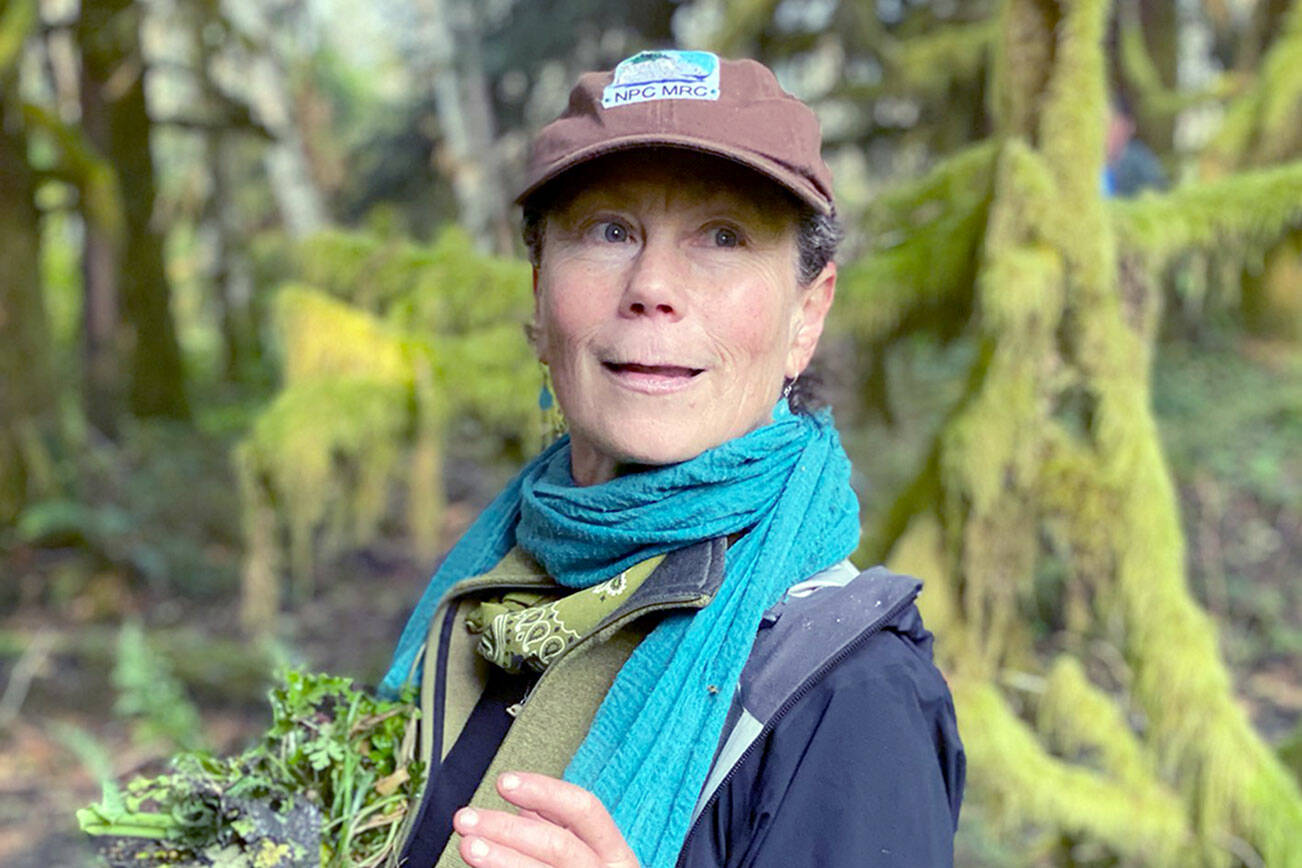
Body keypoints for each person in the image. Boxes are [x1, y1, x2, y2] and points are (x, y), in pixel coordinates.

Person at [379, 50, 964, 868]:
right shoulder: (484, 598)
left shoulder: (849, 694)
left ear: (807, 314)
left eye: (723, 236)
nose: (653, 284)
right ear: (539, 295)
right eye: (608, 230)